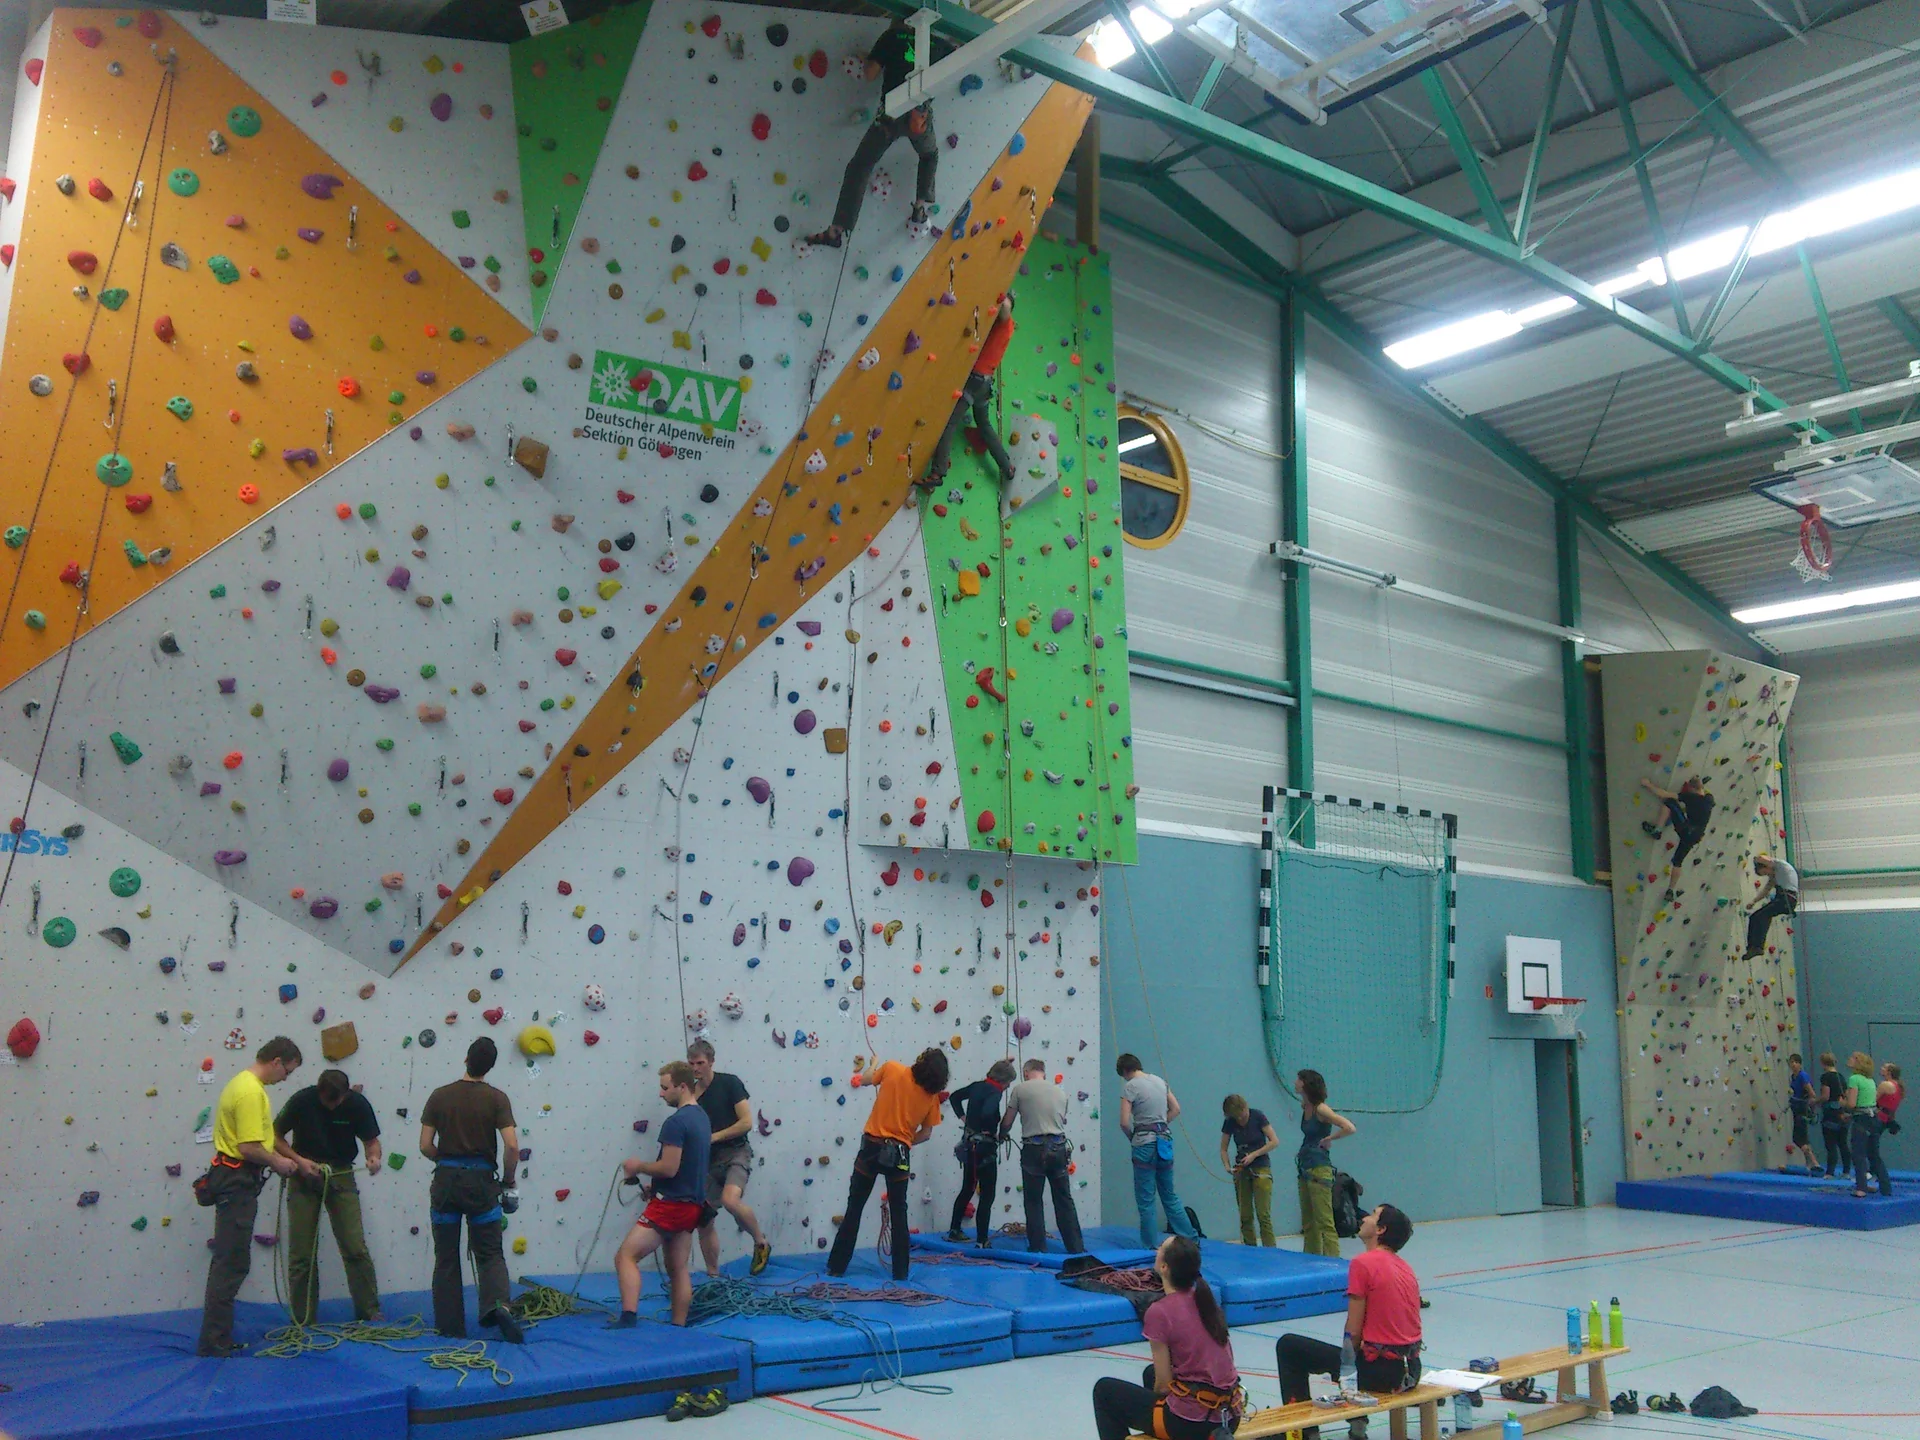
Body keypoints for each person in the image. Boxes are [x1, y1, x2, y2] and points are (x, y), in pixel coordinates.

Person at [197, 1037, 309, 1356]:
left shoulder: (243, 1084)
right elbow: (248, 1147)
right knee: (231, 1262)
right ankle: (214, 1341)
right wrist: (278, 1163)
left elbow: (255, 1142)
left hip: (232, 1178)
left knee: (231, 1260)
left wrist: (291, 1160)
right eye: (287, 1071)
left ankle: (217, 1337)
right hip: (236, 1181)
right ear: (276, 1061)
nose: (285, 1078)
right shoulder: (250, 1092)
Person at [1276, 1205, 1422, 1438]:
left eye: (1372, 1215)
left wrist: (1346, 1372)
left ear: (1381, 1229)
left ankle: (1305, 1434)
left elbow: (1352, 1333)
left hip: (1383, 1373)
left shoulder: (1363, 1263)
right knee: (1352, 1356)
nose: (1364, 1218)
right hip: (1411, 1369)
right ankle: (1357, 1425)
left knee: (1290, 1347)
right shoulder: (1405, 1266)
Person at [419, 1037, 524, 1344]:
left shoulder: (439, 1096)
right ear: (490, 1067)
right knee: (490, 1253)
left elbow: (425, 1145)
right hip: (481, 1184)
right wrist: (508, 1181)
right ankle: (498, 1306)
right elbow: (512, 1146)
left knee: (446, 1256)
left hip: (446, 1183)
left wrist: (446, 1162)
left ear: (466, 1059)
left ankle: (450, 1327)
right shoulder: (497, 1098)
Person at [804, 18, 942, 248]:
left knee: (861, 165)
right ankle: (920, 208)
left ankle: (837, 229)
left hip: (891, 115)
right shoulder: (936, 43)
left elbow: (870, 74)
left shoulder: (891, 36)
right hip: (919, 117)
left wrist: (871, 57)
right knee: (929, 155)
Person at [1090, 1235, 1245, 1440]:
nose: (1156, 1251)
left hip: (1192, 1424)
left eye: (1160, 1248)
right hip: (1230, 1416)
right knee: (1150, 1373)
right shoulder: (1207, 1302)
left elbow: (1163, 1385)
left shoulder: (1159, 1311)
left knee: (1104, 1391)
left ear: (1164, 1267)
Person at [827, 1047, 949, 1281]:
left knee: (855, 1207)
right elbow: (926, 1134)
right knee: (899, 1213)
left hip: (872, 1148)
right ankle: (900, 1272)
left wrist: (873, 1063)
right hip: (900, 1154)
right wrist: (904, 1141)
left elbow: (865, 1080)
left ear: (921, 1061)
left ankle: (836, 1267)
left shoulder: (892, 1068)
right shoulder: (931, 1097)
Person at [275, 1067, 384, 1325]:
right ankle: (302, 1318)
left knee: (355, 1246)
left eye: (337, 1101)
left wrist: (374, 1158)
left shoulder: (357, 1104)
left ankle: (369, 1311)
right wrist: (298, 1160)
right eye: (326, 1101)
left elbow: (371, 1141)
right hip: (304, 1174)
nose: (332, 1106)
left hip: (341, 1173)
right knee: (301, 1253)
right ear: (319, 1091)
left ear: (346, 1094)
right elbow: (275, 1136)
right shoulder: (302, 1100)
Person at [611, 1061, 713, 1327]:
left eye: (665, 1088)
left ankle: (628, 1317)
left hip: (671, 1206)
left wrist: (638, 1167)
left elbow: (669, 1167)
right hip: (691, 1205)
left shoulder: (676, 1122)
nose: (661, 1093)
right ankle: (678, 1325)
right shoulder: (702, 1118)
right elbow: (688, 1166)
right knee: (678, 1269)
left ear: (682, 1087)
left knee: (625, 1256)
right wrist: (655, 1188)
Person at [686, 1039, 772, 1278]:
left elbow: (746, 1123)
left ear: (711, 1062)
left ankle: (760, 1242)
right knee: (703, 1219)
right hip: (707, 1160)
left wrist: (714, 1137)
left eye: (700, 1063)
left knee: (730, 1200)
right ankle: (713, 1274)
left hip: (735, 1151)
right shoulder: (690, 1094)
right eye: (691, 1064)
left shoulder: (729, 1083)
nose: (695, 1068)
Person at [920, 293, 1016, 490]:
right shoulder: (1001, 327)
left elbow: (1006, 305)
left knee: (949, 422)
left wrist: (1000, 292)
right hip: (984, 383)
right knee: (984, 424)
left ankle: (938, 472)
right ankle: (1007, 466)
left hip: (975, 380)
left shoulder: (1005, 324)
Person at [1001, 1057, 1086, 1255]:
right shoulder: (1060, 1092)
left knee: (1033, 1200)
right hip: (1058, 1147)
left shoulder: (1020, 1089)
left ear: (1026, 1073)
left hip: (1034, 1148)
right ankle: (1076, 1247)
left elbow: (1008, 1121)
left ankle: (1038, 1247)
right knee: (1064, 1199)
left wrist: (1001, 1134)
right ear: (1043, 1072)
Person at [1117, 1053, 1197, 1250]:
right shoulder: (1160, 1082)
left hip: (1144, 1143)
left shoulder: (1130, 1086)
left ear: (1125, 1071)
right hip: (1164, 1140)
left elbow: (1124, 1122)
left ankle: (1151, 1245)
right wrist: (1161, 1123)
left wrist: (1133, 1137)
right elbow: (1176, 1108)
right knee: (1169, 1195)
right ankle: (1191, 1239)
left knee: (1146, 1199)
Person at [946, 1058, 1015, 1245]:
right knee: (987, 1195)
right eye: (1009, 1082)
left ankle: (954, 1230)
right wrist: (990, 1130)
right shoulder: (995, 1092)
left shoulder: (977, 1086)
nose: (1008, 1086)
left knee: (967, 1188)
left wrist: (965, 1119)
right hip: (985, 1148)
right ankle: (982, 1240)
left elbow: (954, 1097)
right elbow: (988, 1112)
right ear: (1002, 1080)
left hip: (970, 1145)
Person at [1295, 1069, 1357, 1258]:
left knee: (1324, 1221)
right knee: (1309, 1221)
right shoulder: (1305, 1106)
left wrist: (1330, 1138)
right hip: (1305, 1166)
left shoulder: (1321, 1109)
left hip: (1319, 1168)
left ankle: (1333, 1261)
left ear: (1306, 1084)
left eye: (1299, 1080)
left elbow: (1349, 1127)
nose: (1295, 1082)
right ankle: (1311, 1258)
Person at [1220, 1094, 1281, 1248]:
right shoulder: (1230, 1122)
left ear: (1245, 1107)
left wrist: (1254, 1155)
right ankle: (1249, 1249)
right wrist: (1227, 1166)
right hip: (1242, 1171)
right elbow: (1223, 1148)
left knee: (1263, 1215)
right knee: (1245, 1215)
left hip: (1261, 1168)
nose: (1240, 1120)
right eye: (1237, 1118)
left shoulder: (1258, 1116)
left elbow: (1274, 1141)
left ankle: (1270, 1250)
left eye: (1242, 1115)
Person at [1639, 775, 1713, 897]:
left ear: (1692, 788)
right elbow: (1702, 792)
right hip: (1696, 836)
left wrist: (1648, 784)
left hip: (1685, 829)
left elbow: (1664, 794)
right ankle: (1670, 890)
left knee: (1669, 803)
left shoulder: (1690, 797)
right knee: (1678, 862)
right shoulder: (1709, 799)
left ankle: (1657, 830)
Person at [1842, 1051, 1888, 1199]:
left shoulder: (1854, 1079)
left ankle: (1861, 1188)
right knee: (1874, 1155)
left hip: (1862, 1120)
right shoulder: (1870, 1080)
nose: (1849, 1059)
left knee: (1858, 1154)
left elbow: (1852, 1104)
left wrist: (1843, 1103)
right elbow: (1868, 1103)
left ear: (1857, 1062)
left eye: (1852, 1058)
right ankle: (1886, 1187)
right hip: (1873, 1118)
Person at [1743, 855, 1800, 960]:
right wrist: (1754, 901)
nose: (1767, 875)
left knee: (1761, 916)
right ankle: (1753, 947)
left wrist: (1755, 860)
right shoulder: (1775, 876)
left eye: (1765, 872)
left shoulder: (1780, 865)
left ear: (1766, 866)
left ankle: (1757, 947)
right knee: (1756, 917)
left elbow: (1761, 858)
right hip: (1784, 899)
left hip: (1786, 899)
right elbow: (1766, 890)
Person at [1818, 1051, 1852, 1177]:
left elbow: (1825, 1096)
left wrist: (1815, 1101)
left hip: (1831, 1113)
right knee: (1842, 1143)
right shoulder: (1841, 1077)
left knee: (1831, 1143)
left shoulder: (1826, 1077)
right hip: (1841, 1111)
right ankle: (1846, 1171)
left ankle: (1830, 1172)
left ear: (1823, 1063)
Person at [1784, 1054, 1819, 1177]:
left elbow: (1812, 1094)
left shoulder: (1802, 1076)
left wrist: (1811, 1109)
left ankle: (1814, 1162)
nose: (1793, 1064)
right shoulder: (1793, 1077)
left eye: (1796, 1062)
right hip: (1796, 1108)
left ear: (1800, 1064)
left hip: (1802, 1109)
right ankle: (1810, 1163)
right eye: (1791, 1062)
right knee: (1802, 1137)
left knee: (1798, 1138)